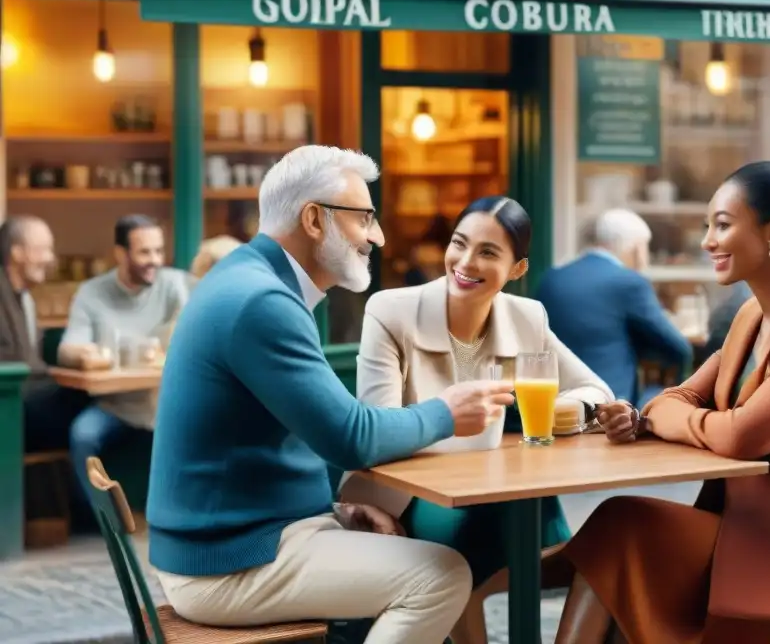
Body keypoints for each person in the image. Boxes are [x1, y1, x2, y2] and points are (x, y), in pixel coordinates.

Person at [146, 146, 515, 644]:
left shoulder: (248, 280)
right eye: (364, 218)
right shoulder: (261, 302)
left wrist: (334, 512)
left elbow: (277, 440)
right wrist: (448, 412)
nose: (377, 236)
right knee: (440, 576)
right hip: (227, 564)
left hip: (233, 540)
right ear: (314, 219)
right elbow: (352, 437)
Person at [553, 160, 770, 644]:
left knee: (623, 527)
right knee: (621, 533)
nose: (707, 241)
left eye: (722, 224)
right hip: (749, 519)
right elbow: (676, 397)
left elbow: (745, 436)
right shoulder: (752, 316)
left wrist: (673, 417)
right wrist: (659, 416)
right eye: (708, 226)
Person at [347, 195, 614, 644]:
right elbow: (381, 427)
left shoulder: (526, 316)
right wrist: (447, 418)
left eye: (488, 252)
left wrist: (550, 412)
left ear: (517, 270)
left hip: (499, 489)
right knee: (474, 533)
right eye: (459, 244)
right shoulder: (391, 311)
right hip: (409, 495)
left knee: (590, 539)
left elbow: (596, 392)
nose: (465, 262)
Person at [57, 214, 190, 506]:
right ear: (120, 254)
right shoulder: (92, 292)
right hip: (116, 406)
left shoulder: (174, 284)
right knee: (82, 435)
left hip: (165, 405)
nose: (155, 259)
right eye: (145, 252)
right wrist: (85, 355)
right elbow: (67, 349)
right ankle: (106, 522)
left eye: (158, 250)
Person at [535, 208, 692, 403]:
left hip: (554, 403)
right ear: (635, 248)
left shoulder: (551, 278)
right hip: (610, 406)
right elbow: (679, 348)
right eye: (645, 248)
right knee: (656, 395)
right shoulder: (629, 281)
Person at [0, 216, 91, 454]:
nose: (50, 259)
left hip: (28, 402)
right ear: (17, 253)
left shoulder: (26, 299)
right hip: (11, 408)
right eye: (42, 250)